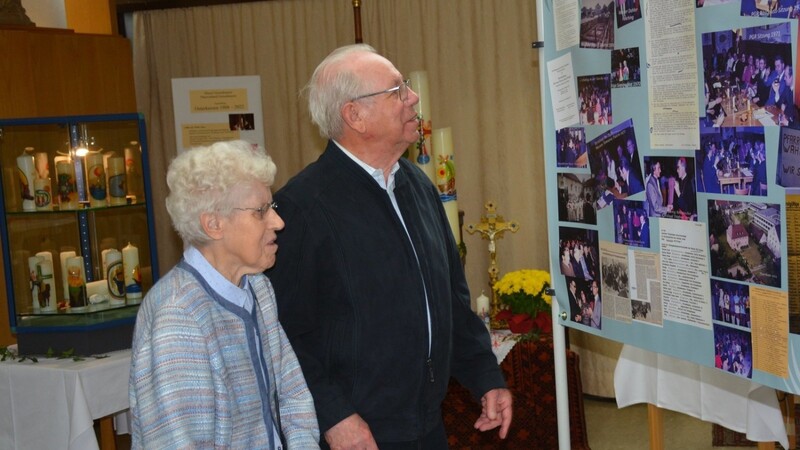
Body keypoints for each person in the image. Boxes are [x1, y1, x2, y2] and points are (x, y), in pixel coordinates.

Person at [267, 44, 512, 449]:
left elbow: (451, 298)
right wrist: (334, 415)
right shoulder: (302, 207)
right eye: (397, 90)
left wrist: (485, 376)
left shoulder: (418, 185)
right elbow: (283, 332)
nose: (413, 98)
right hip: (357, 434)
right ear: (355, 116)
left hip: (427, 424)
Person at [128, 140, 319, 448]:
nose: (278, 222)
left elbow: (293, 395)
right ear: (214, 224)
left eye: (273, 208)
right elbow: (180, 442)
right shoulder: (177, 318)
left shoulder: (258, 287)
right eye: (261, 211)